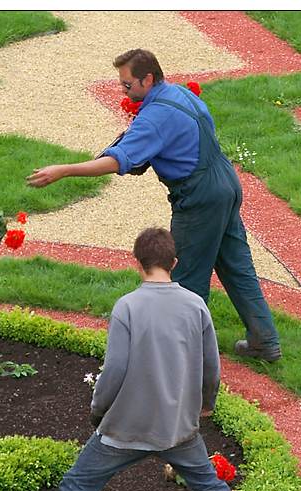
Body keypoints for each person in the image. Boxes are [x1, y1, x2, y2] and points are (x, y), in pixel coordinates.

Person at [1, 227, 254, 491]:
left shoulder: (128, 307)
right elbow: (211, 367)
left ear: (137, 264)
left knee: (77, 488)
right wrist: (205, 406)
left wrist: (99, 410)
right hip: (179, 429)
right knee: (210, 487)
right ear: (174, 263)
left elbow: (114, 370)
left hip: (125, 428)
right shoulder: (196, 305)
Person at [26, 48, 281, 362]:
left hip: (200, 198)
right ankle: (264, 342)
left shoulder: (156, 117)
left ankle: (188, 359)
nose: (125, 91)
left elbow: (118, 161)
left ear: (147, 79)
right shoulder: (178, 95)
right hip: (226, 184)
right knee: (237, 267)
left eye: (128, 85)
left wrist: (63, 171)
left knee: (187, 280)